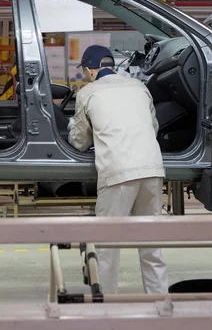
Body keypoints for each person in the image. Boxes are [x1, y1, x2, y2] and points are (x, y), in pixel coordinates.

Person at [68, 45, 168, 294]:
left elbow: (79, 141)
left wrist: (73, 125)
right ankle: (159, 304)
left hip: (118, 173)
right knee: (151, 246)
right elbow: (152, 128)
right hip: (151, 169)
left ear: (89, 70)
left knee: (107, 246)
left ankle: (106, 307)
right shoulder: (139, 87)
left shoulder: (88, 93)